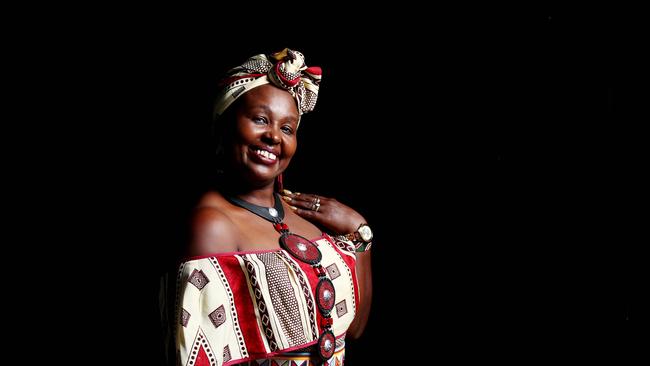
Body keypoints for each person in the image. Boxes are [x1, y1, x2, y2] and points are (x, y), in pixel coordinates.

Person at [172, 48, 373, 365]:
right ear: (225, 126)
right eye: (260, 119)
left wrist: (359, 234)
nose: (273, 137)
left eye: (287, 128)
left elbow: (354, 329)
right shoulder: (212, 224)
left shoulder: (301, 217)